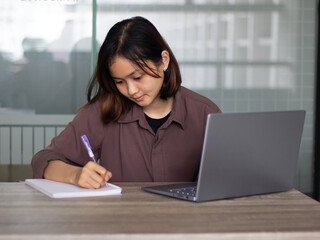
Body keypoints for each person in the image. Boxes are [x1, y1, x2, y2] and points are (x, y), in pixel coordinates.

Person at [31, 16, 221, 189]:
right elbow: (44, 160)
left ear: (163, 61)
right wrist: (76, 175)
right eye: (119, 82)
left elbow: (227, 179)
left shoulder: (205, 114)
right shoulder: (104, 112)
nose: (131, 91)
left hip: (187, 224)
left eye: (137, 77)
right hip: (119, 223)